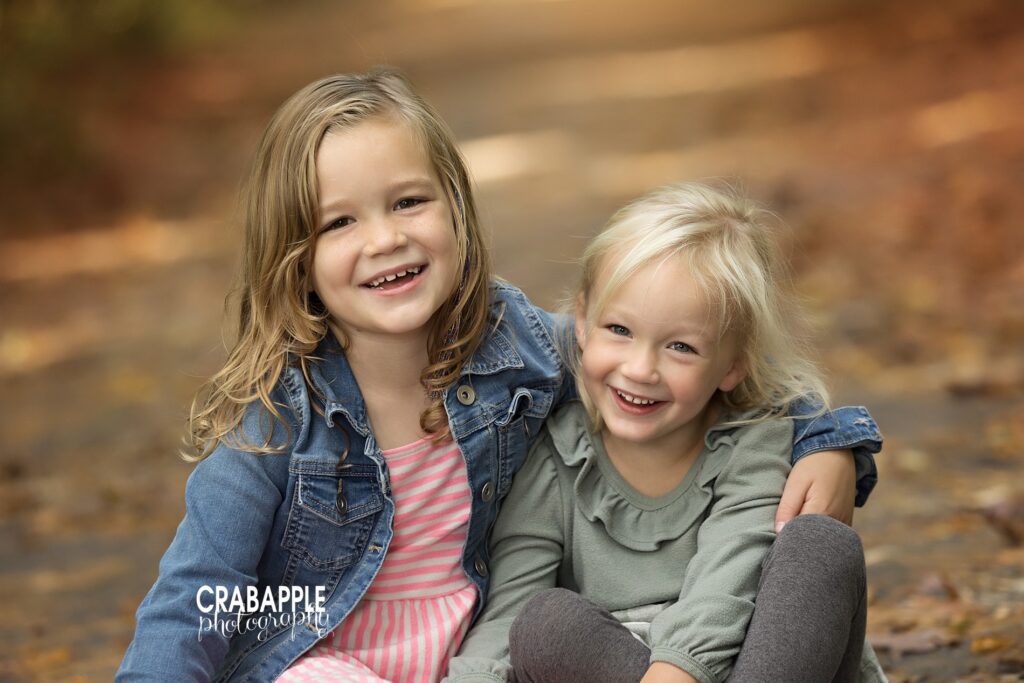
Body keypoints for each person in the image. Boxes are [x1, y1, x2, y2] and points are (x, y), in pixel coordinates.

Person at [116, 70, 882, 682]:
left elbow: (680, 366)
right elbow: (197, 596)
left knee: (555, 626)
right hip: (327, 664)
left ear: (455, 208)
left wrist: (827, 439)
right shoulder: (277, 421)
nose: (386, 238)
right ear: (296, 257)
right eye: (340, 221)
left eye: (409, 201)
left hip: (484, 660)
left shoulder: (516, 349)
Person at [446, 182, 886, 683]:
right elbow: (507, 612)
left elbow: (729, 576)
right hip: (620, 666)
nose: (640, 368)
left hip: (757, 663)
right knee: (544, 623)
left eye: (680, 347)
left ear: (733, 366)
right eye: (619, 330)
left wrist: (675, 673)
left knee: (821, 546)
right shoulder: (554, 458)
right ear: (583, 322)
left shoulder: (752, 441)